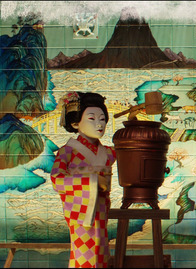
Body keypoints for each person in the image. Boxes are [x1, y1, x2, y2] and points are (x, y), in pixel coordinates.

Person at [50, 91, 116, 268]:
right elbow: (57, 179)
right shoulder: (68, 151)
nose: (99, 124)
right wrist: (92, 181)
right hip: (79, 214)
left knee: (101, 254)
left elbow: (129, 151)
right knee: (82, 255)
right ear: (75, 123)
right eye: (92, 118)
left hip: (101, 213)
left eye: (102, 119)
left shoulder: (109, 152)